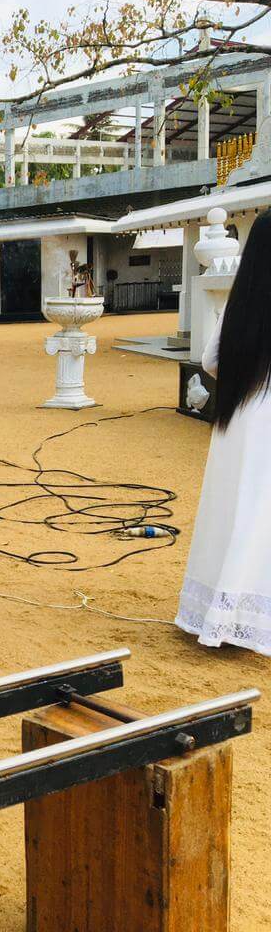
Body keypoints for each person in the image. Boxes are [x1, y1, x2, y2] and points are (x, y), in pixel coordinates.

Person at [176, 210, 271, 655]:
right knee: (258, 515)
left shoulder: (242, 302)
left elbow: (211, 361)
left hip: (240, 421)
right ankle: (245, 616)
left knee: (234, 511)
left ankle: (218, 611)